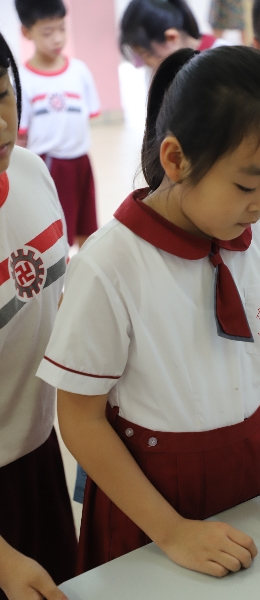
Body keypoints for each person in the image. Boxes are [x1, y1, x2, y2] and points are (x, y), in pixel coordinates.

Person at [38, 46, 260, 577]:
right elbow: (80, 419)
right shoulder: (110, 265)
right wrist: (172, 531)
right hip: (154, 494)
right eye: (246, 184)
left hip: (256, 464)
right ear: (176, 159)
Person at [0, 32, 75, 599]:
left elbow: (56, 295)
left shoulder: (28, 169)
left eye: (2, 95)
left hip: (38, 448)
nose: (1, 123)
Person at [15, 0, 100, 248]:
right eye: (47, 32)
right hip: (50, 165)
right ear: (26, 32)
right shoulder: (23, 79)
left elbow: (88, 116)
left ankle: (88, 266)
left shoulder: (80, 71)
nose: (58, 38)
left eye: (62, 28)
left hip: (82, 161)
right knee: (57, 232)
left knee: (87, 228)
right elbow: (21, 137)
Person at [120, 0, 226, 71]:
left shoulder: (222, 57)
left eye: (148, 55)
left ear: (172, 38)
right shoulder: (161, 72)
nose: (147, 63)